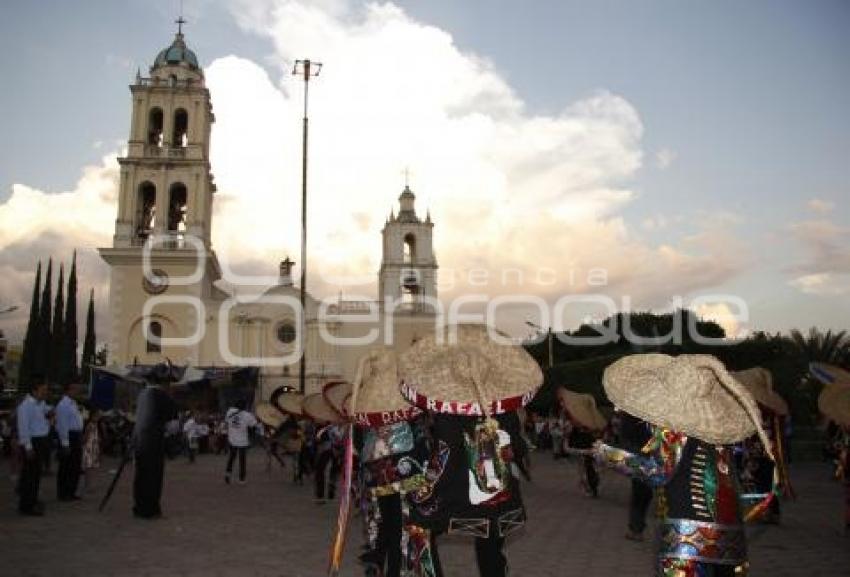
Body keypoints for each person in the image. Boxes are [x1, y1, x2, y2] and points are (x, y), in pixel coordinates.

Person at [592, 354, 776, 576]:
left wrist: (607, 454)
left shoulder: (675, 429)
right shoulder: (719, 433)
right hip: (730, 541)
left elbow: (657, 472)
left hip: (687, 539)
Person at [399, 324, 544, 577]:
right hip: (495, 495)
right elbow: (519, 446)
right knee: (490, 550)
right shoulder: (504, 410)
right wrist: (508, 450)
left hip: (453, 491)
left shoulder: (446, 413)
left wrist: (421, 486)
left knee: (417, 528)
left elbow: (443, 454)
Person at [132, 363, 178, 519]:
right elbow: (173, 426)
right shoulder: (165, 397)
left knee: (141, 475)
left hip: (139, 441)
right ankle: (150, 509)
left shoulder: (142, 394)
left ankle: (139, 506)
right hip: (154, 442)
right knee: (153, 477)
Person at [16, 376, 51, 516]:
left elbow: (45, 410)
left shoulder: (40, 403)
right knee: (29, 475)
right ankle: (26, 505)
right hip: (32, 442)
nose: (45, 393)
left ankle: (32, 500)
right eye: (43, 390)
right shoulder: (25, 406)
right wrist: (28, 447)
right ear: (35, 390)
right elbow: (23, 428)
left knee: (36, 475)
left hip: (41, 441)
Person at [55, 382, 84, 501]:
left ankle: (71, 491)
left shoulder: (73, 403)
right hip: (69, 437)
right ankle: (63, 493)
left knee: (75, 466)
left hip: (76, 436)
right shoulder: (63, 405)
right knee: (66, 466)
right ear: (69, 390)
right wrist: (65, 443)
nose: (77, 391)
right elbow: (62, 425)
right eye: (75, 389)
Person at [224, 400, 258, 485]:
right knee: (242, 460)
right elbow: (254, 426)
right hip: (242, 441)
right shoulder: (247, 415)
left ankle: (228, 474)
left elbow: (227, 421)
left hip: (232, 439)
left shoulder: (229, 412)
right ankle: (242, 479)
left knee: (231, 457)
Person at [81, 409, 101, 493]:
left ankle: (89, 485)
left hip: (94, 447)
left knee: (91, 467)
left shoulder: (95, 425)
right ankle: (87, 486)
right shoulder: (89, 425)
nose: (98, 417)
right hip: (89, 447)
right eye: (97, 416)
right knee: (88, 468)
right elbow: (85, 437)